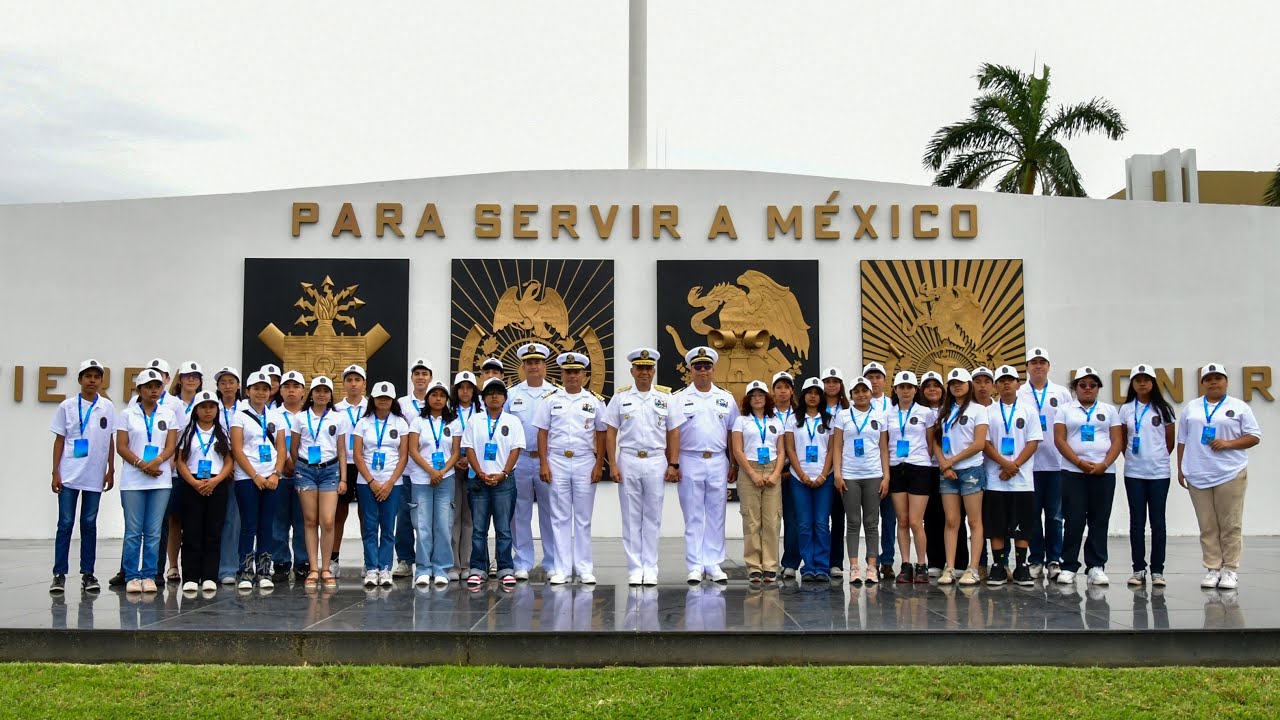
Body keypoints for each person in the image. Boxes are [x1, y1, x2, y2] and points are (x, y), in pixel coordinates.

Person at [1177, 363, 1262, 590]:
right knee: (1207, 525)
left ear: (1226, 381)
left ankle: (1230, 569)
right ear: (1202, 383)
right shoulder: (1192, 408)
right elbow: (1182, 440)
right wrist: (1180, 468)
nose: (1214, 382)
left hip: (1230, 472)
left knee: (1230, 524)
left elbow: (1254, 436)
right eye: (1209, 379)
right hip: (1198, 473)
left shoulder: (1239, 406)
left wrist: (1229, 444)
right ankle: (1213, 568)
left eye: (1218, 378)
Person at [603, 348, 683, 586]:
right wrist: (613, 463)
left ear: (654, 371)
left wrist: (674, 463)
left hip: (656, 460)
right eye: (640, 368)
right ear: (632, 371)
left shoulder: (666, 398)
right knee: (630, 516)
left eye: (648, 368)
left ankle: (651, 566)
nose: (644, 372)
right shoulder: (621, 397)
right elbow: (610, 432)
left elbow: (674, 432)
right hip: (628, 459)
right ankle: (635, 568)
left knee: (652, 517)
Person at [534, 352, 606, 585]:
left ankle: (585, 568)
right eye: (568, 372)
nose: (572, 376)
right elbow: (542, 432)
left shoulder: (595, 401)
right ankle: (562, 568)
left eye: (576, 372)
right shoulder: (551, 399)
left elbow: (602, 433)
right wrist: (543, 463)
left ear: (584, 375)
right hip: (557, 460)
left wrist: (599, 463)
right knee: (560, 516)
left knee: (583, 518)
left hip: (585, 460)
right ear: (562, 375)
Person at [48, 359, 115, 594]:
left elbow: (109, 440)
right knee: (65, 523)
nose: (92, 381)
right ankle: (59, 574)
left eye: (97, 377)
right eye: (88, 376)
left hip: (94, 476)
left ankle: (88, 573)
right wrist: (55, 471)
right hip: (68, 475)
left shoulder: (107, 407)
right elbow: (59, 441)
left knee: (88, 524)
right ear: (80, 380)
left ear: (101, 381)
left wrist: (111, 469)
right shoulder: (66, 406)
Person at [674, 346, 739, 584]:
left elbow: (733, 433)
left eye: (707, 366)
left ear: (713, 369)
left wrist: (733, 464)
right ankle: (694, 565)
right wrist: (673, 463)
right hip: (689, 459)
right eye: (698, 367)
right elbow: (672, 433)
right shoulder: (678, 398)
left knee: (716, 514)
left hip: (718, 461)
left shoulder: (726, 398)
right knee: (693, 515)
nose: (703, 371)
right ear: (690, 370)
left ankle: (713, 563)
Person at [1053, 366, 1123, 586]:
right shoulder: (1065, 409)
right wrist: (1079, 462)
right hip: (1073, 472)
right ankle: (1069, 565)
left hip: (1103, 473)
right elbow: (1060, 440)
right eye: (1082, 385)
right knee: (1074, 519)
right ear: (1075, 388)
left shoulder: (1109, 410)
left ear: (1098, 388)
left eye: (1093, 385)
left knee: (1099, 519)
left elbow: (1117, 441)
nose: (1088, 389)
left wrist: (1104, 464)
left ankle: (1096, 565)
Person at [115, 368, 178, 593]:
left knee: (153, 530)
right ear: (139, 390)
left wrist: (157, 461)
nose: (154, 391)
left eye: (157, 386)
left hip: (160, 480)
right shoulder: (127, 414)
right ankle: (132, 575)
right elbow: (121, 446)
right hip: (133, 480)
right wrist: (142, 465)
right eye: (148, 387)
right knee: (133, 530)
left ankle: (149, 574)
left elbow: (171, 445)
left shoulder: (168, 415)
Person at [980, 366, 1042, 586]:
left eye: (1011, 380)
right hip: (996, 478)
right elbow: (985, 443)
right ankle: (998, 565)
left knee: (1023, 524)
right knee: (996, 524)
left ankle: (1021, 566)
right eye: (1002, 380)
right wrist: (1004, 464)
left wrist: (1014, 465)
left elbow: (1033, 441)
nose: (1006, 384)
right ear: (996, 386)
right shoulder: (988, 412)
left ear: (1018, 384)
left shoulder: (1029, 410)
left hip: (1022, 479)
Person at [461, 378, 526, 587]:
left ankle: (505, 567)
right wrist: (479, 472)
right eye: (490, 393)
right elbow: (468, 448)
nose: (494, 396)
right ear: (483, 398)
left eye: (498, 393)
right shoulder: (475, 420)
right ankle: (478, 568)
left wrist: (504, 473)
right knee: (479, 528)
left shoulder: (513, 421)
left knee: (503, 528)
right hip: (479, 481)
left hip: (504, 482)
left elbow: (516, 449)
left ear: (505, 398)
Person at [290, 375, 350, 590]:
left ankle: (326, 568)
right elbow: (294, 449)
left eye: (326, 391)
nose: (322, 394)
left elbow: (342, 450)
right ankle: (314, 568)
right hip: (306, 471)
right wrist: (304, 466)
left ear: (331, 395)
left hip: (330, 471)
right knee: (309, 520)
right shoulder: (300, 417)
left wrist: (343, 478)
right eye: (318, 390)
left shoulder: (338, 418)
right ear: (311, 394)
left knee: (327, 520)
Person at [1017, 347, 1073, 580]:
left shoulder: (1061, 394)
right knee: (1032, 516)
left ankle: (1054, 559)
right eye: (1033, 362)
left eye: (1042, 362)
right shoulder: (1020, 393)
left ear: (1049, 366)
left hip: (1056, 464)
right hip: (1029, 466)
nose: (1038, 366)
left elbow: (1069, 426)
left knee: (1055, 515)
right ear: (1027, 367)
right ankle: (1036, 558)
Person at [1119, 364, 1177, 587]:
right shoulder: (1125, 410)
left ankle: (1158, 570)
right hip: (1134, 473)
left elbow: (1169, 442)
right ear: (1132, 384)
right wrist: (1135, 458)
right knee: (1137, 522)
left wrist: (1157, 457)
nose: (1142, 383)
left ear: (1153, 383)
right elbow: (1122, 439)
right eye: (1137, 380)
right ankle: (1138, 569)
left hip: (1159, 473)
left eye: (1146, 379)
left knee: (1158, 522)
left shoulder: (1164, 409)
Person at [507, 343, 559, 580]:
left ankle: (552, 561)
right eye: (529, 363)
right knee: (520, 512)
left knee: (550, 512)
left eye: (537, 362)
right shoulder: (512, 395)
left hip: (548, 460)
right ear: (523, 367)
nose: (534, 366)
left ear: (544, 366)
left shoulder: (556, 394)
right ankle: (523, 561)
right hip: (521, 460)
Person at [229, 371, 285, 590]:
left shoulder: (276, 416)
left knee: (266, 525)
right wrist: (255, 475)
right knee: (248, 525)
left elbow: (281, 448)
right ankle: (244, 571)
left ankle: (264, 570)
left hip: (271, 479)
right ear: (247, 391)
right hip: (247, 478)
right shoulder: (239, 415)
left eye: (265, 389)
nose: (261, 393)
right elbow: (237, 449)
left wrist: (275, 474)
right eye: (256, 388)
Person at [833, 376, 890, 586]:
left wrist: (887, 476)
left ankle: (872, 567)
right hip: (850, 475)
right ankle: (854, 567)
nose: (861, 395)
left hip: (874, 474)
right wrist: (837, 474)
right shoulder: (843, 416)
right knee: (853, 522)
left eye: (864, 390)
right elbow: (837, 446)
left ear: (870, 393)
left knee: (872, 523)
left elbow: (883, 448)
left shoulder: (880, 415)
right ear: (851, 395)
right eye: (856, 392)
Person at [353, 381, 411, 587]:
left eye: (387, 397)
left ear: (393, 400)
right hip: (366, 482)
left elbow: (403, 456)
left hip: (392, 483)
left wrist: (389, 482)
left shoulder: (401, 423)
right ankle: (371, 568)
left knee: (387, 527)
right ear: (374, 399)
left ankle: (385, 568)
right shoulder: (363, 423)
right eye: (380, 397)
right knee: (369, 527)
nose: (383, 400)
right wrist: (371, 481)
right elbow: (357, 455)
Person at [934, 368, 988, 586]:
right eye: (953, 383)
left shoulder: (978, 410)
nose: (957, 386)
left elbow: (979, 444)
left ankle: (973, 568)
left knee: (974, 521)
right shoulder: (944, 411)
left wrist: (951, 461)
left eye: (962, 382)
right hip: (947, 472)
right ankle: (949, 566)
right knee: (951, 520)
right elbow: (936, 441)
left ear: (969, 385)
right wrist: (944, 464)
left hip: (971, 470)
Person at [174, 390, 231, 594]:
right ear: (196, 410)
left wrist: (215, 480)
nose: (208, 411)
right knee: (191, 531)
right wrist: (193, 482)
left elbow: (229, 461)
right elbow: (179, 460)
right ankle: (190, 575)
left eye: (212, 407)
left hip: (216, 485)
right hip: (192, 484)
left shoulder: (222, 432)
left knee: (213, 532)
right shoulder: (187, 432)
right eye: (203, 407)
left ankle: (209, 576)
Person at [731, 380, 785, 583]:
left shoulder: (776, 421)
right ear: (748, 399)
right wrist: (752, 474)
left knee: (772, 521)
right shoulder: (741, 421)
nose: (757, 398)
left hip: (771, 469)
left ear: (766, 397)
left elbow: (781, 451)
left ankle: (770, 565)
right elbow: (737, 450)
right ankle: (754, 566)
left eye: (760, 394)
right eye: (753, 395)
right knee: (752, 520)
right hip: (749, 469)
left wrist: (775, 474)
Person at [407, 379, 459, 587]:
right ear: (427, 398)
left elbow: (455, 452)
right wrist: (431, 471)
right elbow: (413, 450)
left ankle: (441, 568)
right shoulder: (418, 421)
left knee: (443, 525)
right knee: (423, 525)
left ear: (446, 399)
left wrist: (442, 471)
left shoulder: (452, 422)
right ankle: (423, 568)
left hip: (446, 479)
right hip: (421, 479)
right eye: (434, 395)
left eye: (442, 396)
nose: (438, 399)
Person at [884, 370, 933, 584]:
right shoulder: (888, 414)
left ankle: (921, 564)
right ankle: (905, 564)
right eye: (901, 387)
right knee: (902, 520)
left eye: (909, 387)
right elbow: (884, 446)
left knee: (915, 521)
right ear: (895, 390)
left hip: (919, 468)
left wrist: (921, 458)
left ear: (915, 390)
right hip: (897, 468)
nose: (905, 390)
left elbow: (931, 443)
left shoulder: (925, 413)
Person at [784, 377, 832, 582]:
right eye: (809, 392)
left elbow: (832, 450)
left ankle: (821, 567)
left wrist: (823, 474)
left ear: (821, 396)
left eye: (817, 392)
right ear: (803, 395)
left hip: (824, 478)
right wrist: (802, 474)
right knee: (804, 524)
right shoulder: (793, 419)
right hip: (798, 478)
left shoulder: (830, 419)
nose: (813, 396)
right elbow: (790, 449)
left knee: (821, 523)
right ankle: (808, 566)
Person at [163, 360, 203, 584]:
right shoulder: (170, 404)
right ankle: (173, 566)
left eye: (195, 376)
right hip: (174, 470)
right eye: (187, 376)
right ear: (179, 379)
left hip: (198, 471)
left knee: (196, 521)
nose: (191, 379)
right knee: (175, 520)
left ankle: (195, 565)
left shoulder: (205, 402)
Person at [394, 357, 434, 578]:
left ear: (430, 377)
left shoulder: (438, 400)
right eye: (417, 374)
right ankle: (405, 560)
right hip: (407, 470)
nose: (420, 377)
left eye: (424, 374)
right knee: (405, 517)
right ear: (411, 378)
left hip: (432, 470)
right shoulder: (400, 404)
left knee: (429, 518)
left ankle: (428, 559)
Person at [270, 370, 309, 583]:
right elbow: (268, 444)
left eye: (296, 386)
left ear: (303, 391)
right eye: (286, 386)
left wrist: (299, 464)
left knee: (303, 521)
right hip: (281, 475)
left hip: (306, 474)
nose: (291, 390)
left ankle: (303, 562)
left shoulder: (310, 414)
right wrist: (284, 463)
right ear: (281, 390)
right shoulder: (272, 415)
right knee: (279, 520)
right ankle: (281, 562)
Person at [332, 364, 369, 580]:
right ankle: (334, 559)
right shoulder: (336, 409)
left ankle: (368, 560)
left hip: (365, 464)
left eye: (357, 380)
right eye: (349, 380)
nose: (353, 384)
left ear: (364, 383)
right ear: (344, 384)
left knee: (366, 514)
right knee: (339, 514)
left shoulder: (371, 408)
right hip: (343, 464)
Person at [820, 367, 853, 579]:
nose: (831, 385)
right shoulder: (815, 407)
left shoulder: (848, 410)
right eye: (827, 381)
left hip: (841, 470)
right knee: (821, 519)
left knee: (839, 518)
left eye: (835, 381)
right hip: (820, 469)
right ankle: (820, 561)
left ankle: (836, 562)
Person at [862, 361, 893, 582]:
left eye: (877, 377)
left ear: (884, 380)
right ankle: (870, 562)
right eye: (869, 377)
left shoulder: (892, 406)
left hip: (891, 468)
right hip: (866, 470)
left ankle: (888, 561)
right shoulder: (856, 407)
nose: (874, 381)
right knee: (867, 520)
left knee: (889, 518)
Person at [448, 371, 481, 580]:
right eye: (462, 387)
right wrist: (456, 459)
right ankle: (453, 564)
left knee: (469, 518)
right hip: (452, 468)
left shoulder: (482, 411)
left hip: (473, 467)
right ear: (456, 390)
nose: (465, 391)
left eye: (469, 387)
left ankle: (467, 563)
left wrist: (469, 459)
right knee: (453, 517)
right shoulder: (448, 411)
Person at [213, 366, 243, 585]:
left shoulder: (245, 409)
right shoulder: (211, 408)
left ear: (238, 385)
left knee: (236, 520)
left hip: (241, 470)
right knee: (215, 520)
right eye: (223, 382)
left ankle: (230, 568)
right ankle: (211, 567)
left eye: (231, 381)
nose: (227, 386)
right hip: (216, 469)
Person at [918, 370, 950, 577]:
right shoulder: (917, 411)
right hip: (926, 468)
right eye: (928, 386)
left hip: (949, 467)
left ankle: (956, 561)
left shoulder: (952, 410)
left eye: (936, 385)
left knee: (953, 516)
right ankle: (935, 561)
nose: (932, 389)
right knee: (931, 516)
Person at [771, 372, 802, 580]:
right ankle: (769, 563)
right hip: (771, 473)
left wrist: (790, 470)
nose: (783, 391)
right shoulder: (765, 413)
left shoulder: (800, 415)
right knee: (771, 520)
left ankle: (790, 563)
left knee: (793, 520)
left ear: (792, 391)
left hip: (792, 474)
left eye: (786, 387)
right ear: (773, 391)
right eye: (778, 387)